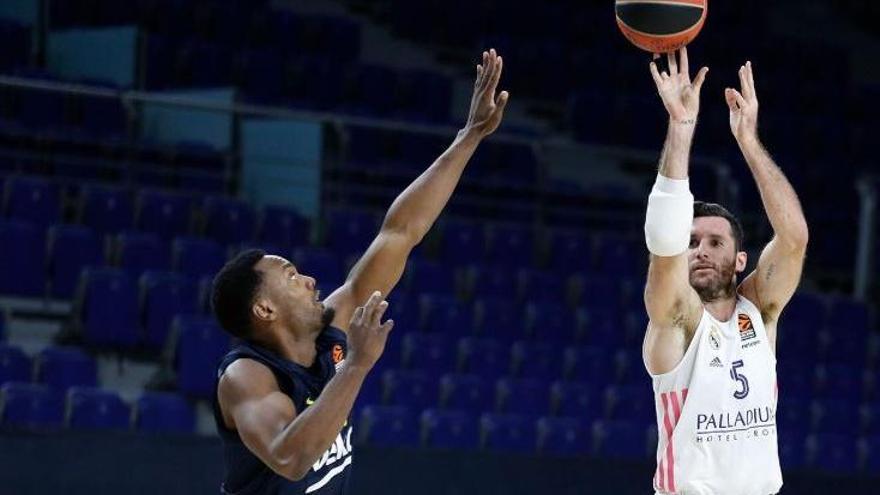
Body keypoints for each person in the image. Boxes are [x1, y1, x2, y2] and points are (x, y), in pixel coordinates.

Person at [210, 49, 509, 494]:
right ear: (265, 308)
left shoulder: (332, 324)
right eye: (290, 275)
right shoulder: (246, 377)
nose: (309, 279)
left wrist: (469, 136)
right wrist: (356, 366)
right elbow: (291, 458)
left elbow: (401, 231)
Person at [643, 47, 809, 495]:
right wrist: (680, 129)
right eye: (692, 242)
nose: (699, 250)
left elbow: (793, 239)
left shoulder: (760, 311)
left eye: (715, 243)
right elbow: (663, 246)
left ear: (741, 261)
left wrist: (749, 142)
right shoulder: (677, 319)